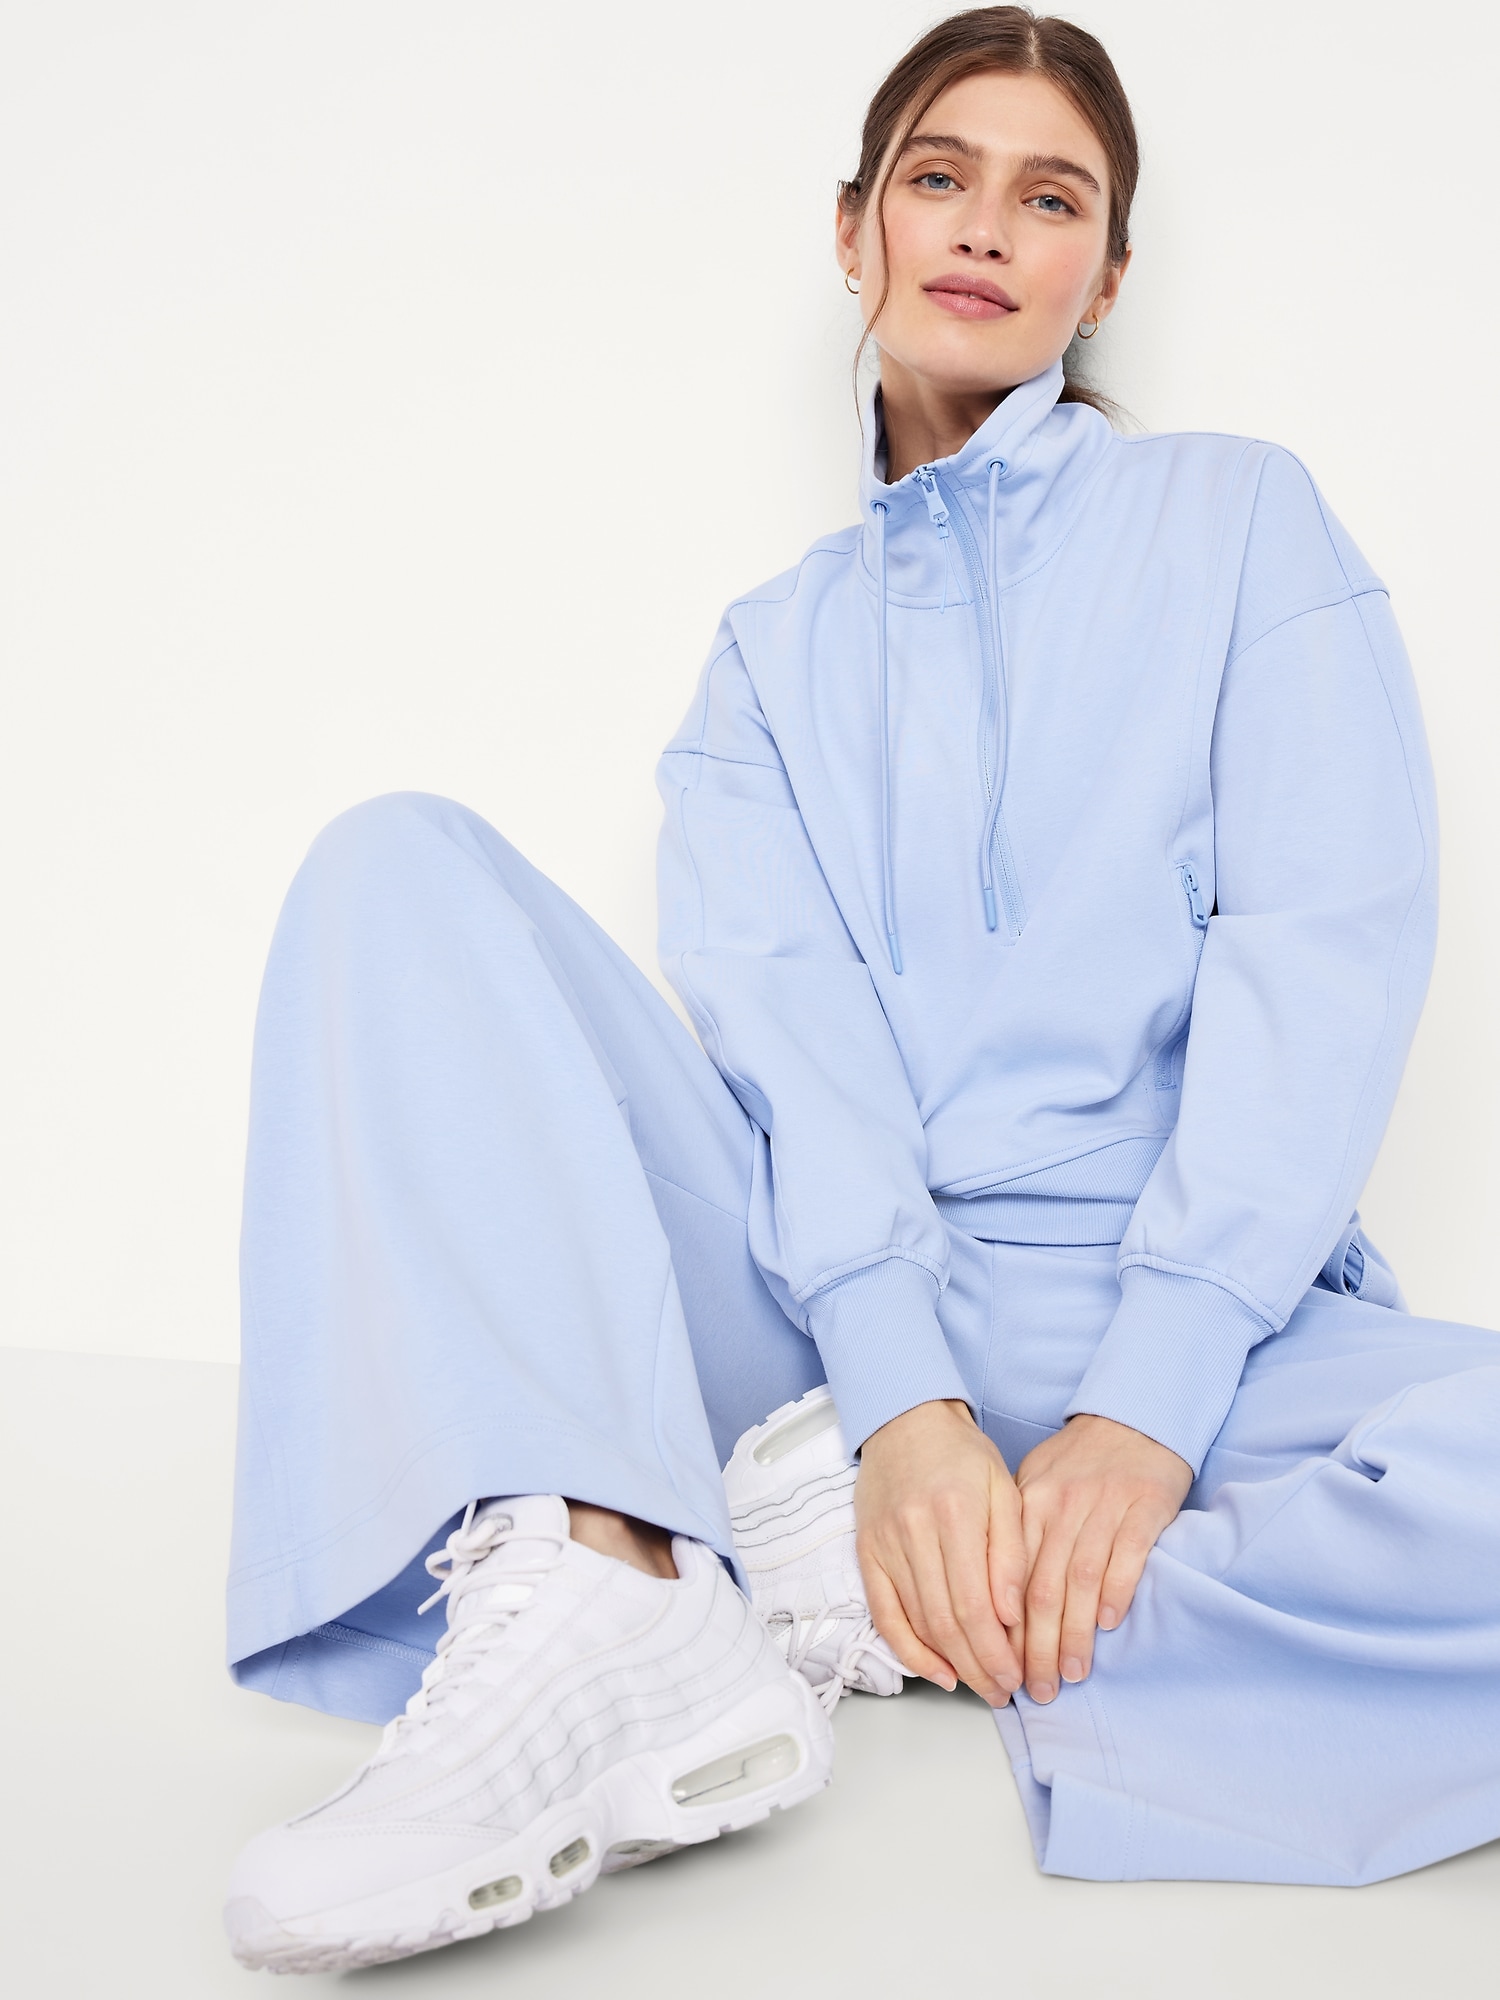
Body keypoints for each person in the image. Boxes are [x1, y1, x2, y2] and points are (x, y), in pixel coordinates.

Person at [222, 4, 1500, 1974]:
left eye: (1051, 197)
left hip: (1189, 1328)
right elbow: (791, 1049)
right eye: (940, 176)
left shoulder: (1244, 522)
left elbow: (1324, 952)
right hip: (827, 1339)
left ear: (1107, 277)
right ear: (855, 229)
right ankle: (633, 1578)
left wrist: (1147, 1411)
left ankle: (834, 1603)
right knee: (393, 864)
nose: (987, 226)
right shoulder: (768, 659)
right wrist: (902, 1404)